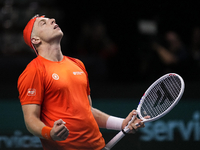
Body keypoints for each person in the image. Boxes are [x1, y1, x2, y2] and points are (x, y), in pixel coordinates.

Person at [17, 14, 148, 150]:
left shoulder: (77, 64)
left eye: (50, 19)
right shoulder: (33, 71)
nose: (52, 20)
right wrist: (49, 133)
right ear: (35, 39)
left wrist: (122, 124)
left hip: (98, 146)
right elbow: (31, 120)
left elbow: (88, 111)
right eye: (43, 23)